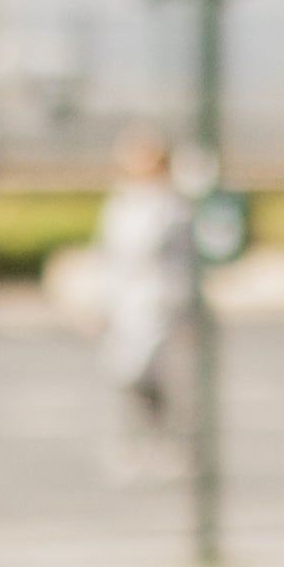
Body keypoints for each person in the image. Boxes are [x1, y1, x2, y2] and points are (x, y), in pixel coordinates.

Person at [84, 138, 206, 473]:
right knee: (124, 375)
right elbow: (110, 260)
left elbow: (186, 263)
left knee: (159, 377)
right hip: (125, 306)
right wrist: (100, 304)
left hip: (162, 304)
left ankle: (169, 443)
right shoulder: (121, 205)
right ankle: (136, 442)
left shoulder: (173, 208)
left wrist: (187, 311)